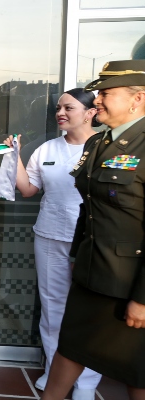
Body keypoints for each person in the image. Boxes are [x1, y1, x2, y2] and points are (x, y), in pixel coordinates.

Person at [43, 60, 145, 400]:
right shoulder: (97, 144)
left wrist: (142, 299)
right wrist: (77, 257)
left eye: (106, 94)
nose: (97, 100)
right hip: (91, 274)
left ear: (137, 98)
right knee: (70, 348)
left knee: (136, 369)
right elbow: (89, 208)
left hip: (129, 283)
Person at [3, 88, 101, 400]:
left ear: (90, 113)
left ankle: (86, 382)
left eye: (68, 108)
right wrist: (14, 155)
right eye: (58, 108)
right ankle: (55, 370)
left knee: (88, 311)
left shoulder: (104, 147)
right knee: (52, 306)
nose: (60, 113)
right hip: (49, 236)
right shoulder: (47, 148)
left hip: (90, 240)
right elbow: (28, 189)